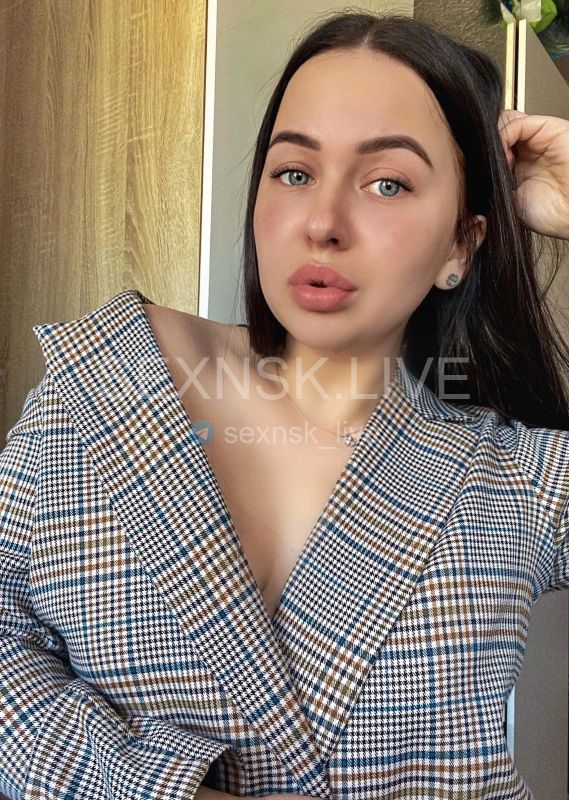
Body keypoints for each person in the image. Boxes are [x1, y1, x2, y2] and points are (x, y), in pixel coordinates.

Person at [1, 9, 569, 800]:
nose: (322, 223)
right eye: (294, 173)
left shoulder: (522, 479)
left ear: (459, 245)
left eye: (387, 183)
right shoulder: (102, 384)